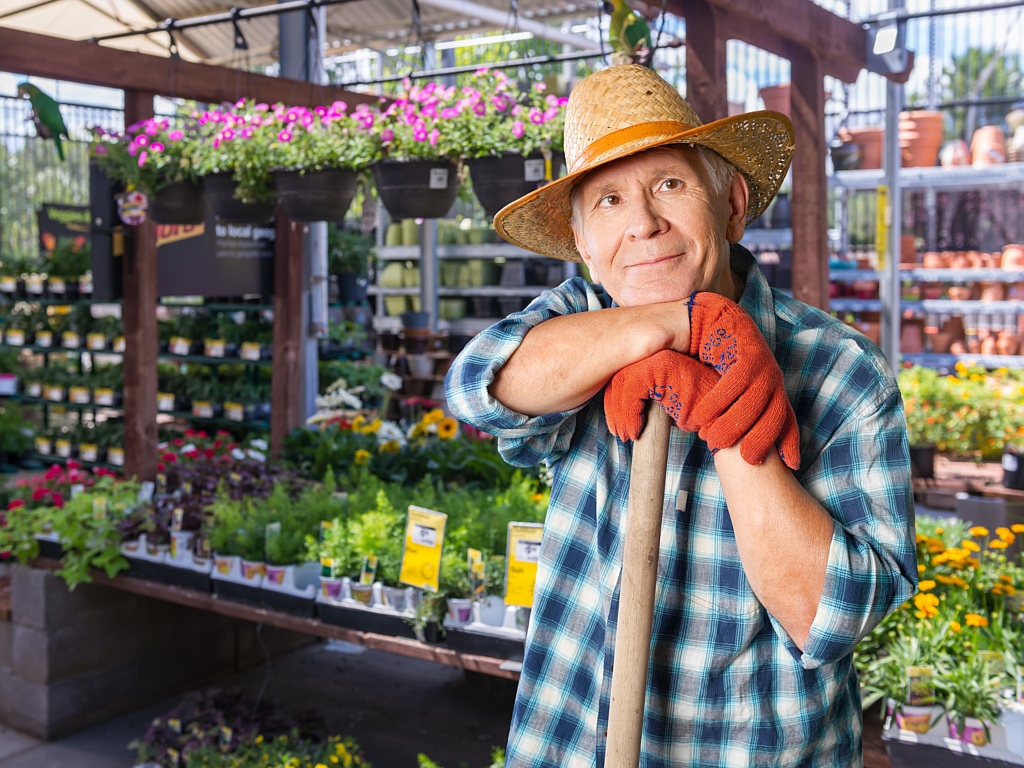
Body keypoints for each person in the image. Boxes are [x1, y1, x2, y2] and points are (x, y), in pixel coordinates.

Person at [445, 64, 917, 767]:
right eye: (607, 201)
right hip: (571, 745)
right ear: (582, 245)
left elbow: (827, 616)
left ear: (729, 204)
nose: (642, 224)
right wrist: (681, 326)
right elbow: (478, 386)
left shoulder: (840, 369)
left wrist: (724, 413)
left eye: (669, 184)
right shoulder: (582, 319)